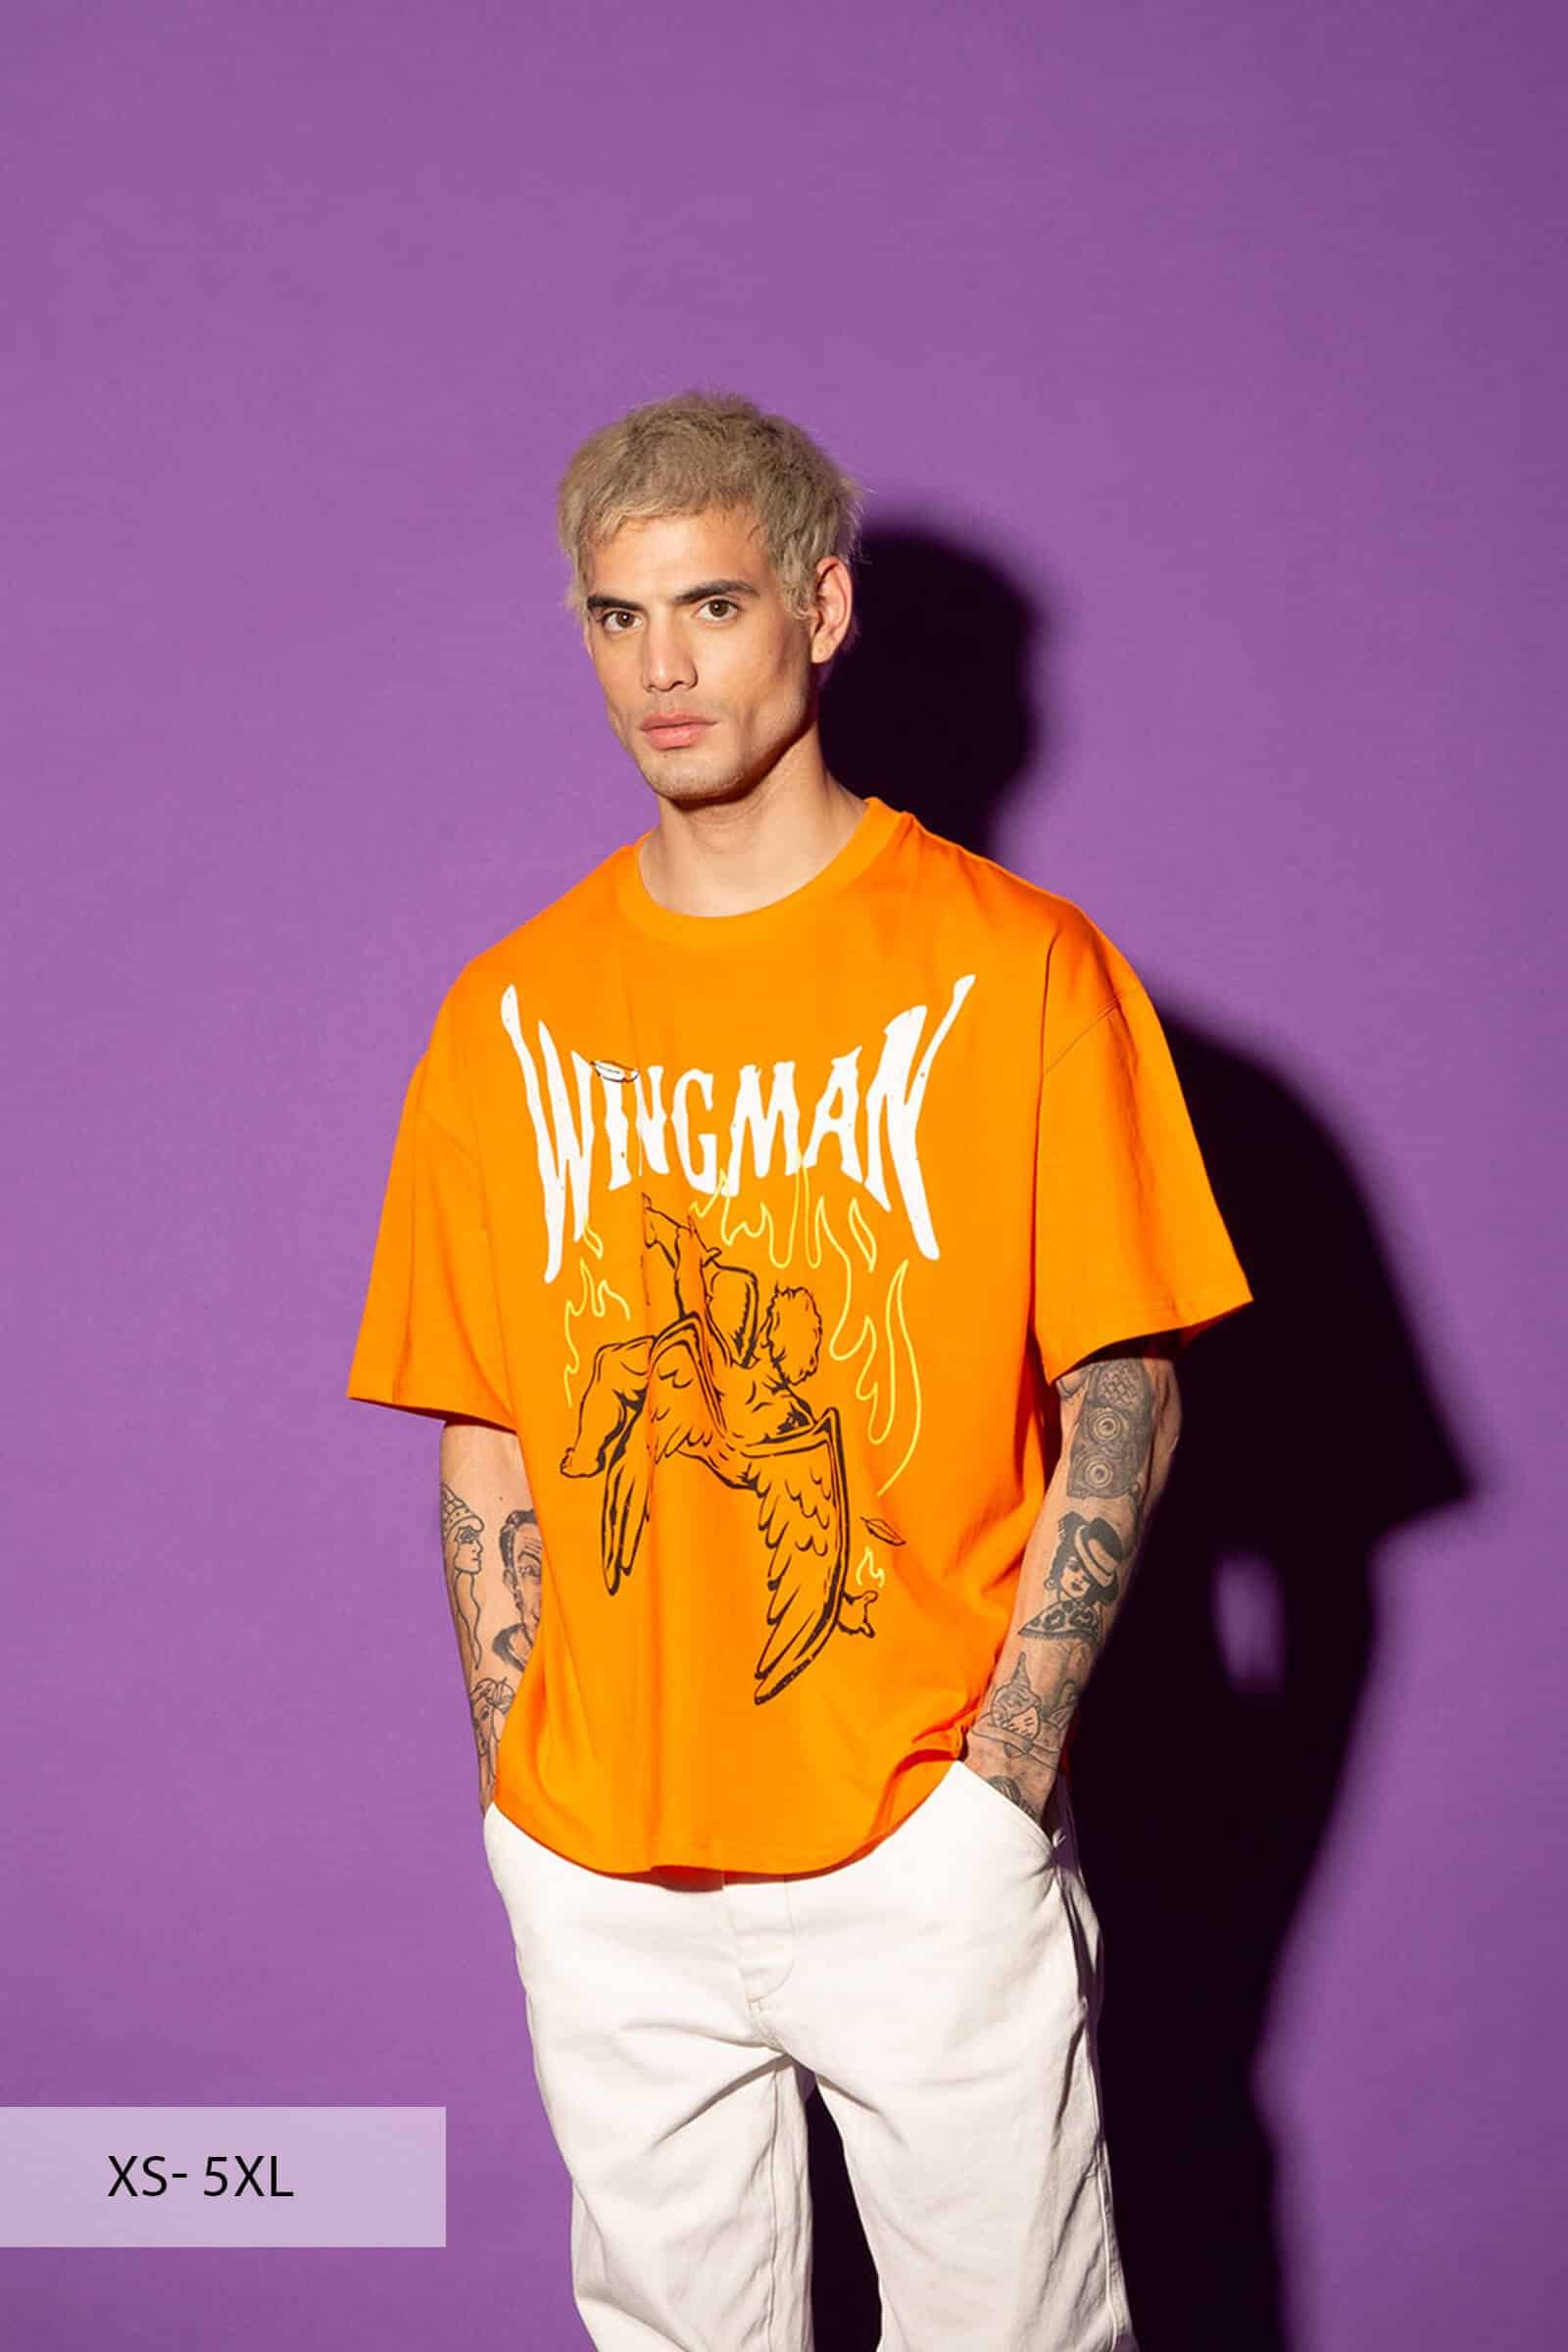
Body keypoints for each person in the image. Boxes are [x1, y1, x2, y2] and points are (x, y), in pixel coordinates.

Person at [346, 389, 1254, 2350]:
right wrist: (518, 1776)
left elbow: (1127, 1385)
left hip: (915, 1836)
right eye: (616, 618)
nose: (660, 670)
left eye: (712, 606)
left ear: (820, 613)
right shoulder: (508, 1015)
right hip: (602, 1868)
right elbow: (486, 1423)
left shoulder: (1015, 966)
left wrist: (1001, 1776)